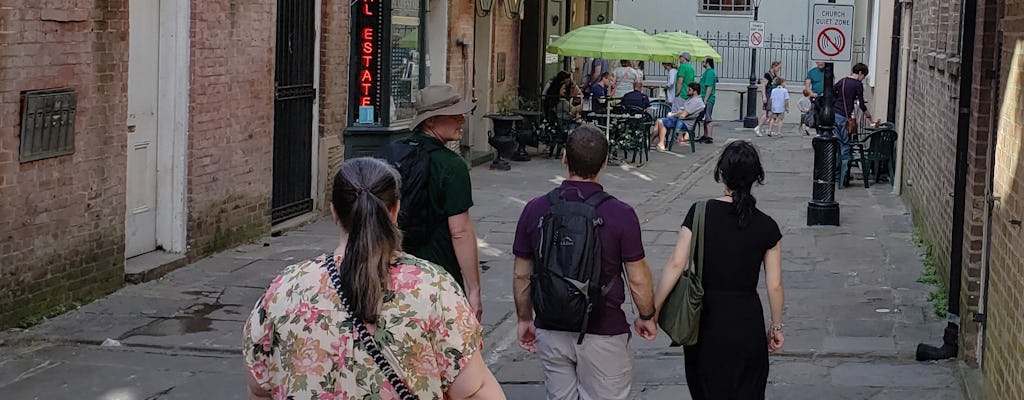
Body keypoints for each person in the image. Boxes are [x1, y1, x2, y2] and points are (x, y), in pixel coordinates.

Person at [243, 158, 506, 400]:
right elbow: (475, 391)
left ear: (334, 212)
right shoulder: (434, 289)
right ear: (395, 211)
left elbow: (259, 385)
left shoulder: (285, 290)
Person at [513, 125, 658, 400]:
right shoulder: (621, 214)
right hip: (604, 328)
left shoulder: (534, 209)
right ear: (605, 162)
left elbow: (522, 274)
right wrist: (646, 316)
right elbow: (638, 278)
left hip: (551, 325)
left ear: (564, 157)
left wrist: (524, 318)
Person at [652, 140, 785, 400]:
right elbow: (774, 285)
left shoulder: (700, 212)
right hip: (747, 322)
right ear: (756, 177)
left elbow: (676, 264)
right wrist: (777, 327)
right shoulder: (767, 226)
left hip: (705, 321)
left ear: (721, 173)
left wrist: (652, 312)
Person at [400, 84, 483, 320]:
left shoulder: (393, 154)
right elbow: (460, 232)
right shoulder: (451, 165)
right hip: (439, 275)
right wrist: (473, 289)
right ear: (431, 121)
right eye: (454, 114)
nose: (462, 120)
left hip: (395, 273)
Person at [833, 63, 878, 160]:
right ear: (860, 73)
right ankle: (843, 172)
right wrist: (869, 116)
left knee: (837, 143)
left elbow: (833, 92)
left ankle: (836, 170)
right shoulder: (858, 84)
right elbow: (861, 104)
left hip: (835, 113)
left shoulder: (843, 81)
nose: (863, 78)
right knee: (845, 145)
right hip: (844, 116)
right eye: (864, 76)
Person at [653, 82, 705, 151]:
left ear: (695, 92)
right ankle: (653, 141)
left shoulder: (695, 102)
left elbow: (683, 114)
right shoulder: (692, 99)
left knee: (661, 121)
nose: (687, 91)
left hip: (684, 123)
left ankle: (660, 143)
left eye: (689, 90)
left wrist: (672, 115)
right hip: (683, 120)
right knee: (659, 121)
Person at [753, 60, 782, 137]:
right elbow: (763, 86)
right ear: (774, 66)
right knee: (768, 113)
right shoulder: (767, 75)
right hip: (768, 94)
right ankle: (758, 127)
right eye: (778, 67)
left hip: (773, 95)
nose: (779, 69)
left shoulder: (775, 75)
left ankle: (769, 129)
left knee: (771, 113)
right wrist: (764, 96)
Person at [697, 56, 718, 144]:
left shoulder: (710, 73)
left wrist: (705, 100)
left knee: (708, 116)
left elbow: (709, 87)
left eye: (703, 61)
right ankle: (705, 135)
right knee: (705, 117)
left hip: (708, 99)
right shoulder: (707, 72)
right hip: (704, 97)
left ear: (707, 62)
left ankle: (709, 136)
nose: (702, 63)